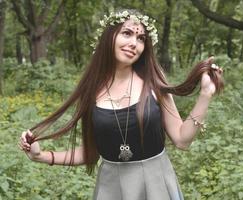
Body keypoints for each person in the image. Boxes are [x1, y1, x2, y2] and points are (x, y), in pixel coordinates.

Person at [18, 9, 223, 200]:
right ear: (109, 36)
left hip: (156, 184)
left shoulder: (153, 81)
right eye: (127, 33)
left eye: (141, 38)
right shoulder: (91, 91)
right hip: (111, 187)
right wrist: (41, 156)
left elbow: (182, 140)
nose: (134, 43)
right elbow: (90, 152)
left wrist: (205, 94)